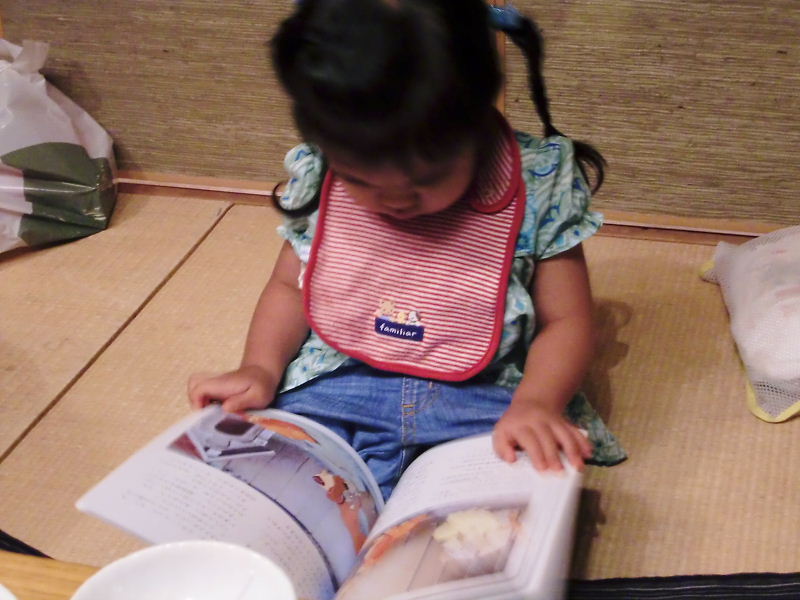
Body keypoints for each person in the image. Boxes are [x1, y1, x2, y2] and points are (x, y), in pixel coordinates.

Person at [189, 0, 625, 500]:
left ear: (477, 115)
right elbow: (290, 286)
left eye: (428, 178)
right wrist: (260, 367)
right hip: (337, 384)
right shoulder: (320, 172)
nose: (396, 201)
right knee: (268, 484)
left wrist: (538, 403)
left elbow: (566, 320)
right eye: (359, 180)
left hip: (486, 396)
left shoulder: (538, 183)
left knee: (515, 495)